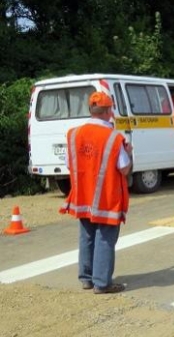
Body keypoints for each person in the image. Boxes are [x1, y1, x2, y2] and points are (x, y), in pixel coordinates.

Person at [59, 92, 132, 294]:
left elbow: (68, 163)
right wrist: (129, 152)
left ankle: (86, 278)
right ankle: (102, 283)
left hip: (83, 196)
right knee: (105, 238)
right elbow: (124, 168)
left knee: (87, 236)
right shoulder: (114, 138)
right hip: (107, 198)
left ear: (91, 110)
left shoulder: (73, 134)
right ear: (109, 111)